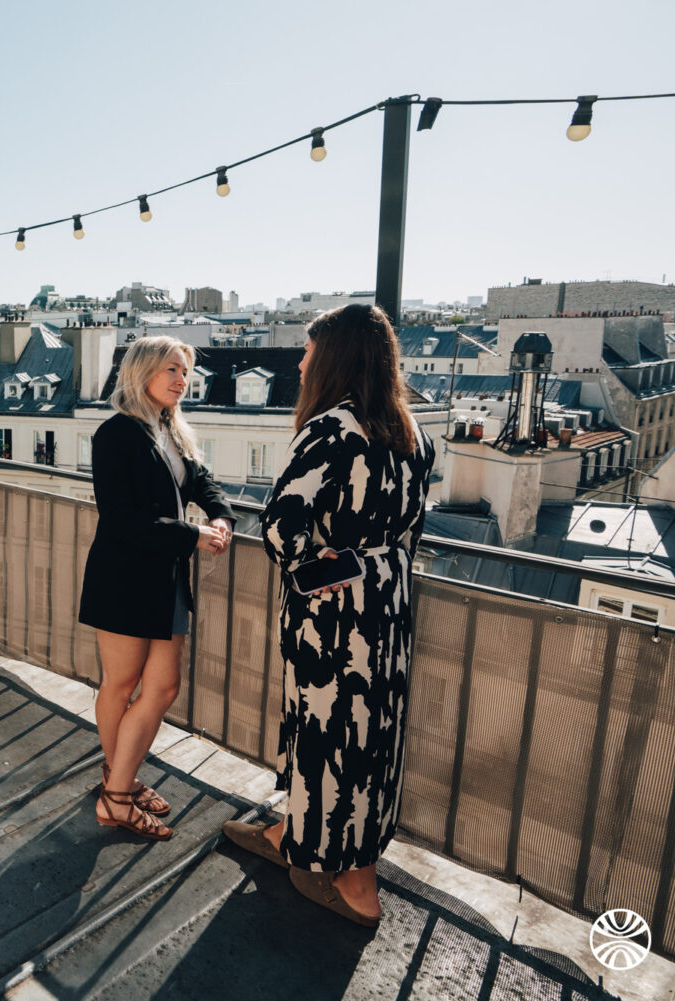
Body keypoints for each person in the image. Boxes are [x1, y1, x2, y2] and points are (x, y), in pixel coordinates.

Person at [222, 303, 434, 928]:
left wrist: (327, 566)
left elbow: (282, 529)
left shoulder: (332, 430)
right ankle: (297, 832)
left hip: (335, 618)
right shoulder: (408, 431)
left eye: (311, 352)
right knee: (369, 737)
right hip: (388, 609)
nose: (302, 362)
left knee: (329, 731)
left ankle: (349, 880)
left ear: (334, 358)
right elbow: (412, 527)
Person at [78, 336, 236, 840]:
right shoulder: (115, 435)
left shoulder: (170, 429)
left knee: (163, 687)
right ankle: (118, 795)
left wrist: (219, 514)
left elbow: (201, 480)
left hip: (164, 575)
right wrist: (193, 534)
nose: (181, 380)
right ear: (141, 371)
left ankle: (116, 777)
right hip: (125, 576)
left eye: (185, 372)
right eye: (171, 369)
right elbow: (122, 518)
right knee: (121, 685)